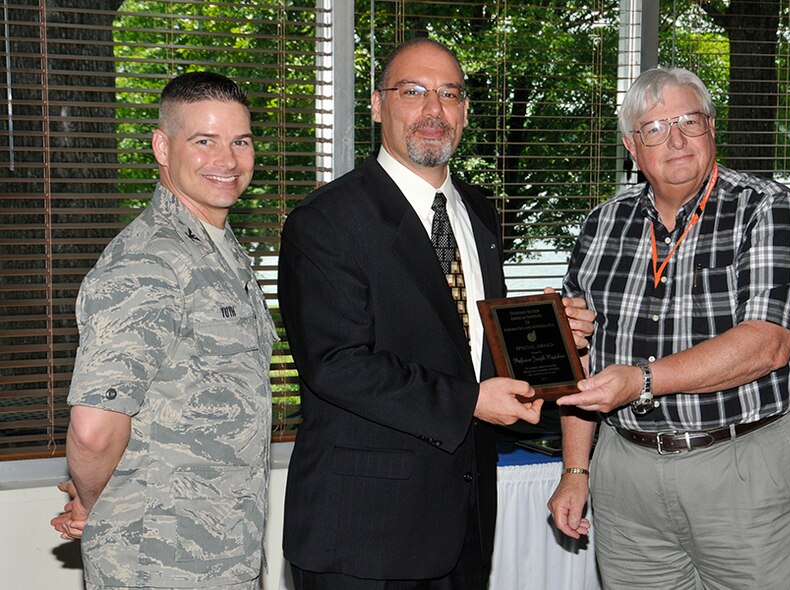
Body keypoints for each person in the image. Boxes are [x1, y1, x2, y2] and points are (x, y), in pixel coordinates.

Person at [277, 38, 594, 589]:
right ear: (378, 105)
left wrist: (547, 336)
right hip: (364, 532)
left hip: (465, 519)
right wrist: (472, 400)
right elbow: (336, 364)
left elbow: (464, 342)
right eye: (414, 92)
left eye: (449, 94)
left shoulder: (479, 211)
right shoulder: (326, 221)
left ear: (465, 112)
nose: (433, 110)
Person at [548, 67, 790, 590]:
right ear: (632, 146)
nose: (675, 140)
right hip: (625, 473)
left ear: (712, 129)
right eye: (654, 128)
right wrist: (575, 471)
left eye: (689, 122)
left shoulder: (767, 209)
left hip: (746, 467)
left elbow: (768, 345)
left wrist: (643, 380)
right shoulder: (603, 223)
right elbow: (577, 355)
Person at [49, 71, 277, 590]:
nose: (227, 160)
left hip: (224, 552)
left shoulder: (221, 252)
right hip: (157, 560)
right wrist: (89, 501)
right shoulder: (147, 263)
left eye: (240, 141)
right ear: (161, 146)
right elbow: (93, 427)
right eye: (204, 141)